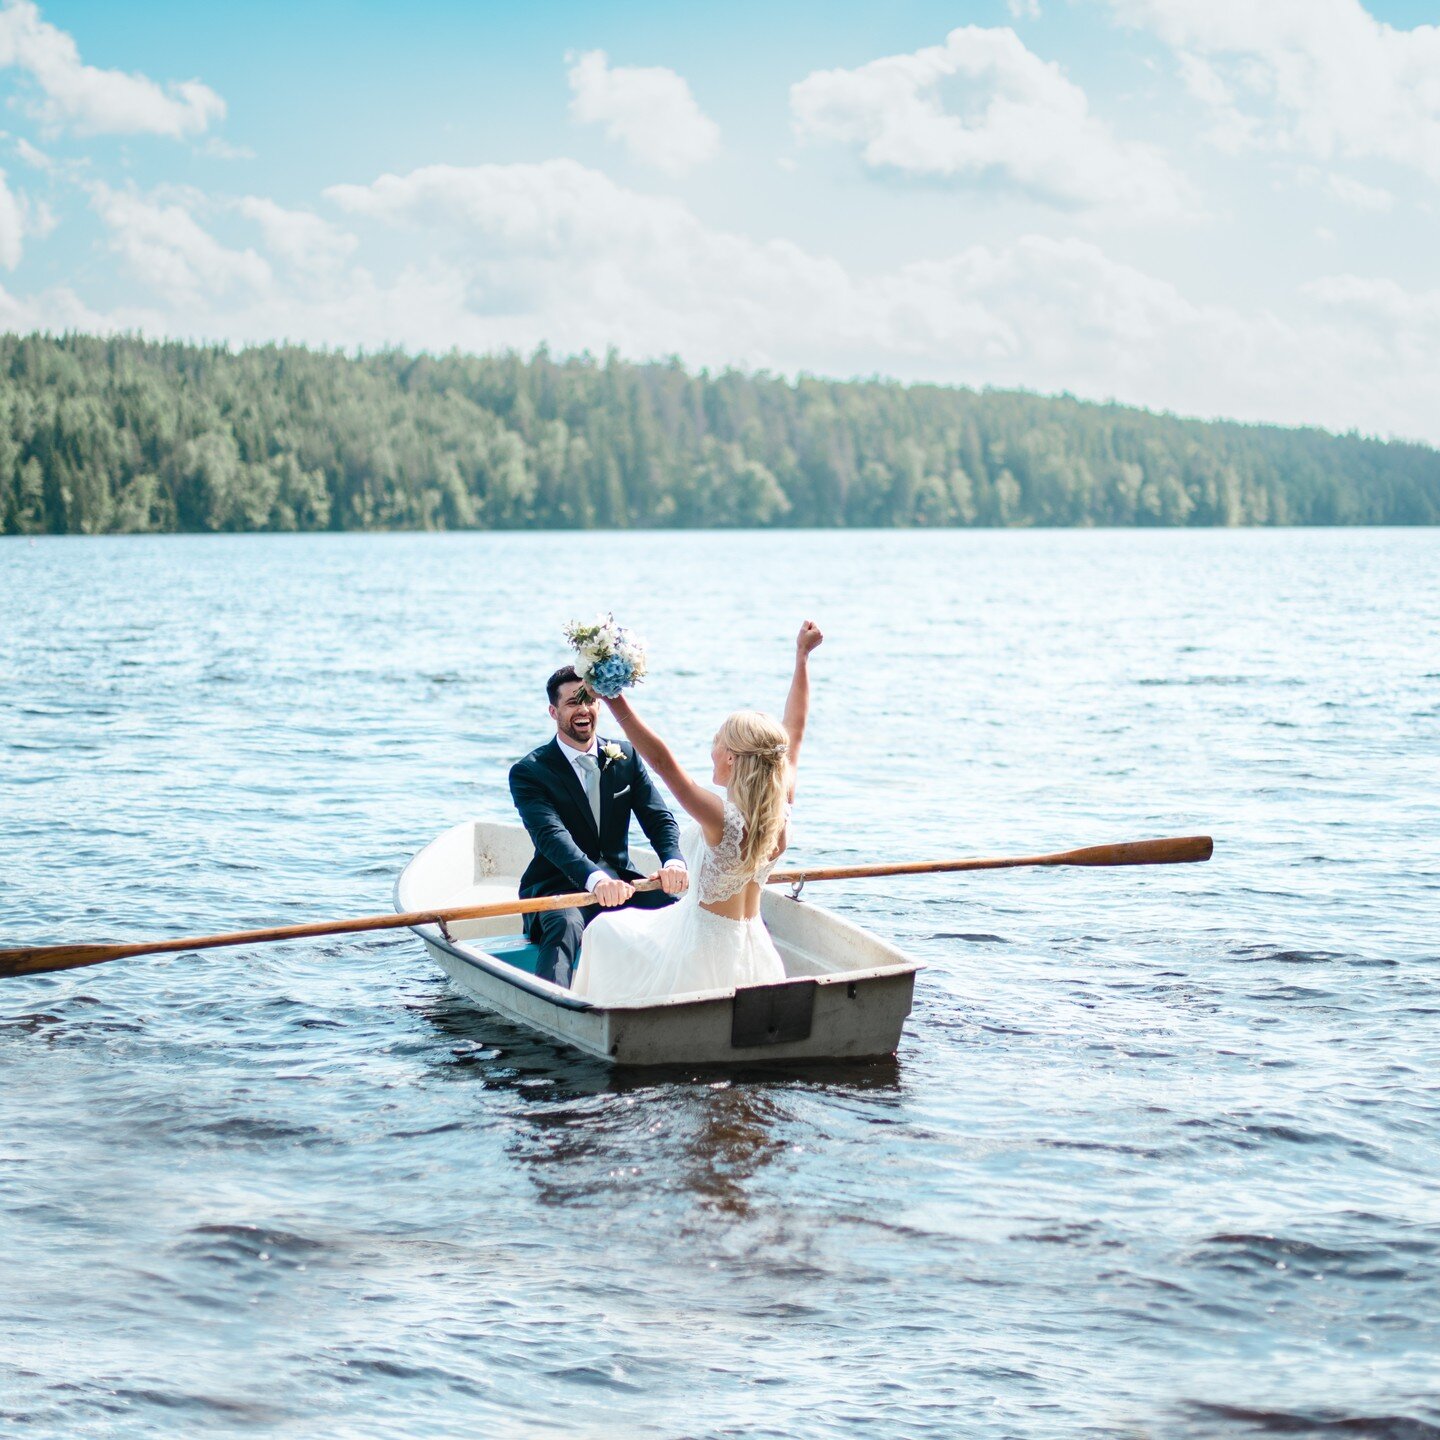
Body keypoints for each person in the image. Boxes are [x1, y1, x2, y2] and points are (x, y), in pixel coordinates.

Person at [573, 620, 823, 1005]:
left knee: (603, 931)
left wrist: (614, 700)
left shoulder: (721, 817)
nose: (711, 750)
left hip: (699, 949)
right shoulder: (779, 809)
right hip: (754, 947)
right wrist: (802, 657)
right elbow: (797, 729)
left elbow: (661, 762)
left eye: (716, 741)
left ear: (731, 757)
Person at [509, 667, 689, 987]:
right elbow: (551, 836)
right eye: (572, 703)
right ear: (554, 711)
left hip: (622, 884)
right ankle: (556, 1007)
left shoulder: (625, 756)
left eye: (589, 699)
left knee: (679, 915)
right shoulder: (529, 772)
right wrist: (594, 879)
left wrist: (673, 861)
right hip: (558, 889)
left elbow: (658, 818)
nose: (583, 709)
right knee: (564, 926)